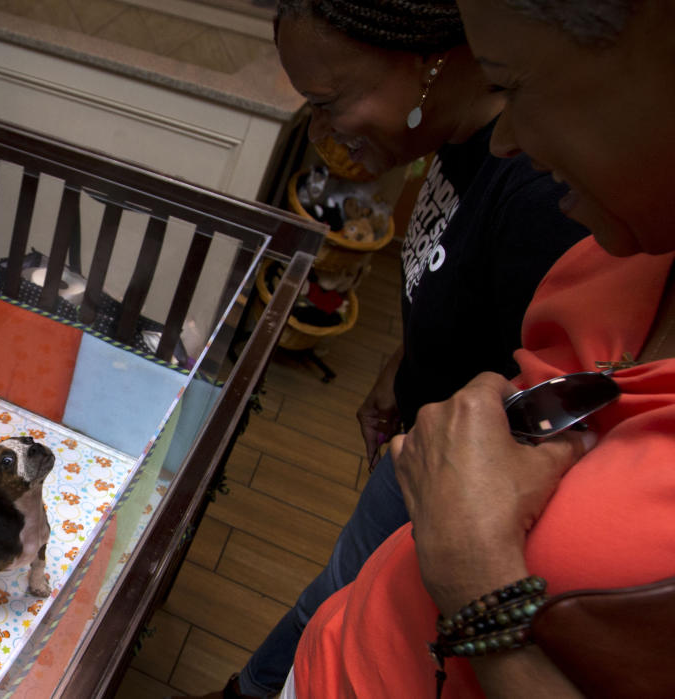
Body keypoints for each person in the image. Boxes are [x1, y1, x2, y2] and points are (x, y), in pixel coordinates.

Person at [186, 1, 587, 697]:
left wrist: (472, 573)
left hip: (461, 505)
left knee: (346, 600)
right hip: (420, 442)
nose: (322, 129)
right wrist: (401, 363)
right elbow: (456, 280)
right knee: (330, 594)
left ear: (431, 64)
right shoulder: (454, 141)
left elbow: (542, 394)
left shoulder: (532, 198)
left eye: (331, 100)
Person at [285, 0, 675, 696]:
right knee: (334, 586)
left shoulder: (547, 207)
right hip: (368, 609)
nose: (507, 137)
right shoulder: (620, 254)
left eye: (516, 84)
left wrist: (477, 588)